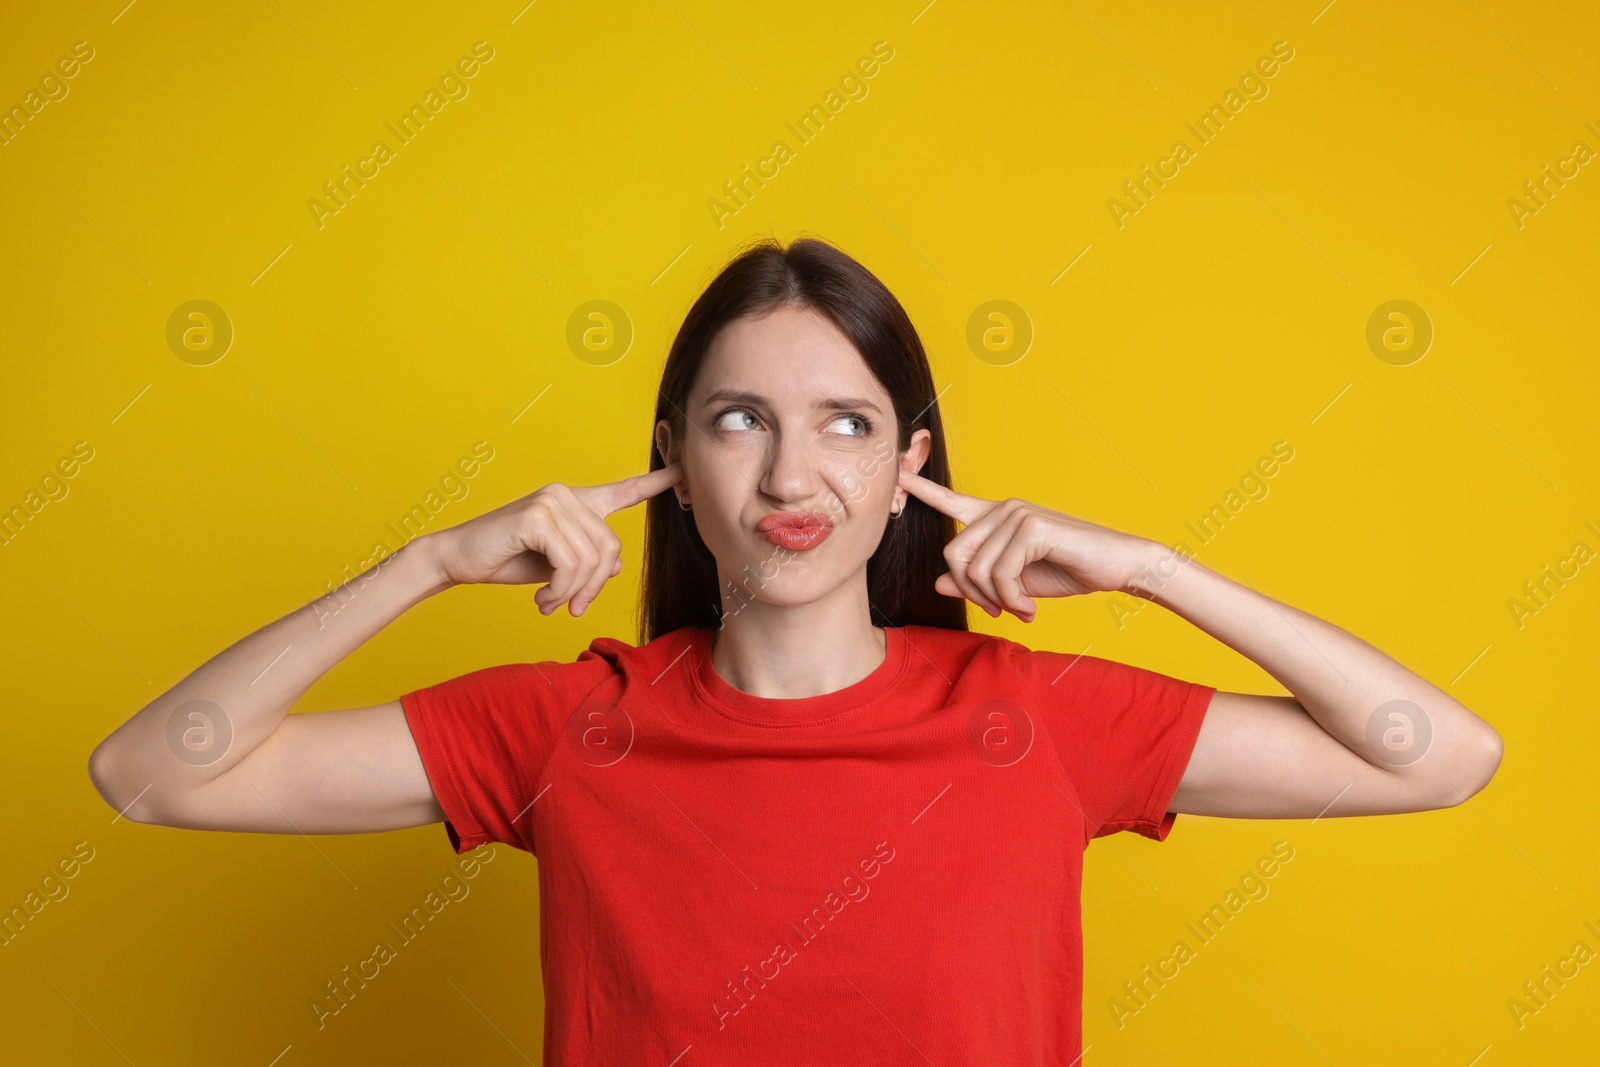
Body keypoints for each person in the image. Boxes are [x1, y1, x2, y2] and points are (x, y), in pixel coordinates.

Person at [88, 236, 1503, 1063]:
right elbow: (153, 772)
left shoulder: (1041, 720)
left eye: (845, 422)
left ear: (908, 469)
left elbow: (1441, 756)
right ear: (674, 468)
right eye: (737, 419)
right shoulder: (563, 730)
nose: (788, 475)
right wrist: (424, 565)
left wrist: (1151, 573)